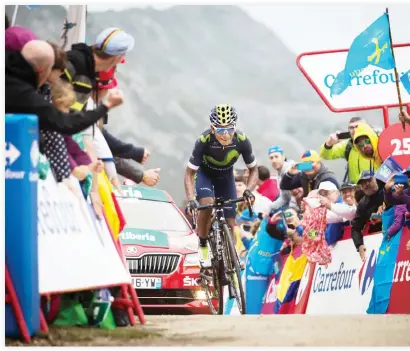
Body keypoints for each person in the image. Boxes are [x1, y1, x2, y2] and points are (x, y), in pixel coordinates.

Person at [184, 104, 257, 267]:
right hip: (205, 175)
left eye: (230, 129)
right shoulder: (204, 140)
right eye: (220, 130)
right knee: (207, 204)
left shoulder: (242, 140)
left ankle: (231, 256)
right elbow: (189, 173)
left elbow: (254, 170)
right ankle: (203, 245)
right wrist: (190, 199)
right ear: (212, 128)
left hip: (225, 177)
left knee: (231, 222)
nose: (226, 135)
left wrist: (248, 190)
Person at [5, 40, 124, 134]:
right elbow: (65, 123)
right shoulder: (24, 95)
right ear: (42, 70)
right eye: (51, 68)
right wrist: (107, 105)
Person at [62, 27, 134, 112]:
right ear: (116, 58)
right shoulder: (81, 74)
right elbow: (64, 119)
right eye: (122, 58)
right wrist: (108, 106)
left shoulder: (85, 67)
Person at [320, 117, 371, 183]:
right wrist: (328, 144)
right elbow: (325, 155)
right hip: (357, 189)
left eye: (357, 127)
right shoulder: (347, 145)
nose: (354, 130)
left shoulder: (376, 142)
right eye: (351, 128)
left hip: (377, 188)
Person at [351, 170, 387, 262]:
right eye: (362, 184)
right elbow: (355, 227)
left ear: (376, 179)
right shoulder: (363, 204)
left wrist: (386, 205)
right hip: (378, 240)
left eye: (368, 181)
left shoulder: (387, 188)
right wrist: (359, 245)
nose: (366, 185)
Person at [268, 145, 293, 213]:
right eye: (271, 158)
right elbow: (284, 198)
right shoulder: (279, 173)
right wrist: (270, 208)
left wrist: (290, 211)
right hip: (289, 205)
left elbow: (294, 196)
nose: (274, 160)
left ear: (283, 157)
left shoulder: (290, 171)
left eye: (276, 157)